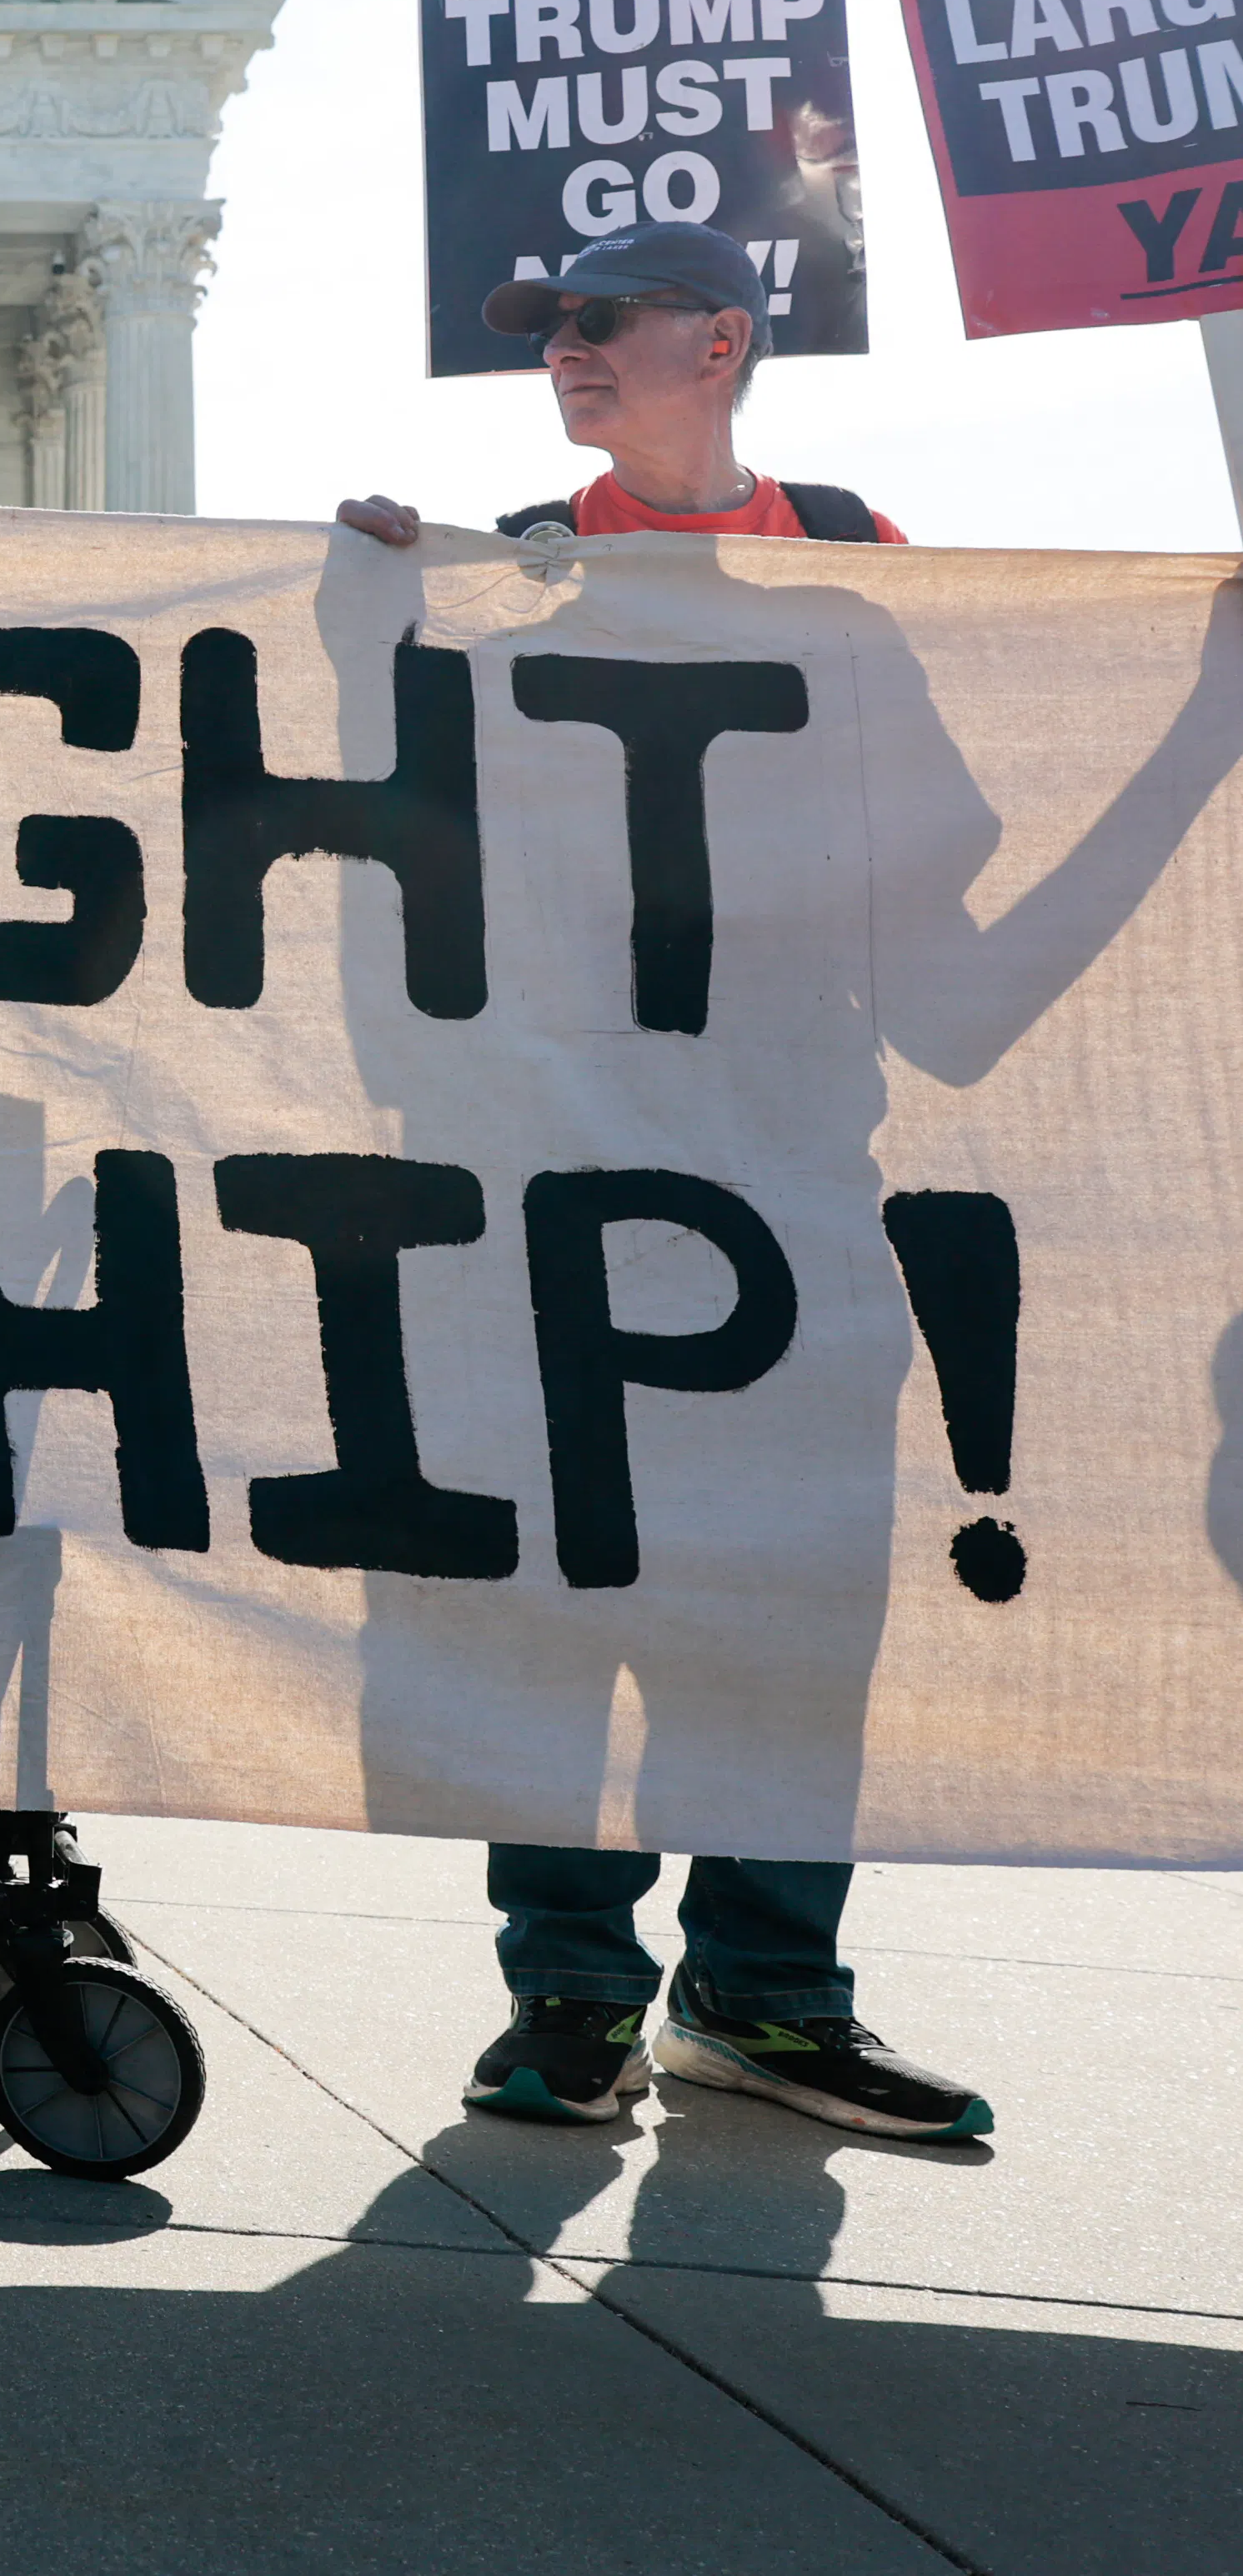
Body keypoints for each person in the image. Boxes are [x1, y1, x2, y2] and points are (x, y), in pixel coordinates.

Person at [337, 218, 985, 2145]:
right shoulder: (514, 569)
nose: (565, 355)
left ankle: (769, 1995)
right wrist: (366, 639)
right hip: (554, 1163)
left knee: (787, 1604)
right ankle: (569, 1994)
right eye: (548, 334)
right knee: (549, 1592)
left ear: (722, 338)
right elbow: (406, 835)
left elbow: (934, 867)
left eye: (600, 325)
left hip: (786, 1159)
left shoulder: (858, 561)